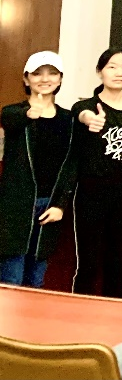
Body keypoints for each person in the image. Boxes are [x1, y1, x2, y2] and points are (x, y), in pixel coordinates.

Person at [70, 49, 122, 298]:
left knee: (117, 262)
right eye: (112, 66)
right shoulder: (86, 106)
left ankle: (113, 312)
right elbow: (81, 115)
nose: (119, 72)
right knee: (88, 262)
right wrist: (90, 119)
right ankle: (78, 312)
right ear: (100, 71)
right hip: (91, 192)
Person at [0, 52, 77, 288]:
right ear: (26, 79)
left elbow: (71, 166)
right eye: (37, 73)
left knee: (36, 281)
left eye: (52, 73)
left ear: (60, 78)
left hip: (49, 207)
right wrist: (28, 113)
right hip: (16, 207)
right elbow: (9, 118)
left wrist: (60, 205)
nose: (45, 79)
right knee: (11, 279)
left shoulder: (68, 119)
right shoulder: (14, 113)